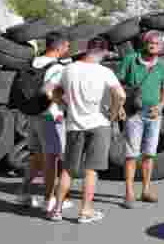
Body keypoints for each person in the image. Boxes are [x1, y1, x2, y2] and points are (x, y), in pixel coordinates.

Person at [53, 37, 125, 224]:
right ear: (102, 52)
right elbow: (121, 95)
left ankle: (57, 210)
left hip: (74, 124)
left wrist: (65, 105)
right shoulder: (104, 71)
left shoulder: (69, 69)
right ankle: (85, 211)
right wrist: (114, 114)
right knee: (91, 170)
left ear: (88, 49)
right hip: (99, 124)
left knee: (67, 170)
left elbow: (55, 93)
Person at [18, 31, 73, 214]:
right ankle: (48, 200)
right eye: (66, 46)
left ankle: (24, 194)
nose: (68, 49)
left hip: (32, 115)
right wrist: (64, 103)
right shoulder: (57, 68)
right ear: (58, 47)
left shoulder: (33, 62)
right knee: (52, 159)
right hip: (50, 117)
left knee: (36, 156)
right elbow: (46, 91)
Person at [116, 30, 164, 209]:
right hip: (133, 113)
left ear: (162, 47)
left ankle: (146, 189)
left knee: (149, 154)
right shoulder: (130, 59)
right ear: (145, 43)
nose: (154, 46)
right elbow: (116, 85)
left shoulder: (162, 65)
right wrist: (119, 107)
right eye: (151, 42)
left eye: (158, 44)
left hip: (154, 115)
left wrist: (161, 106)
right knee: (131, 154)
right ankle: (129, 193)